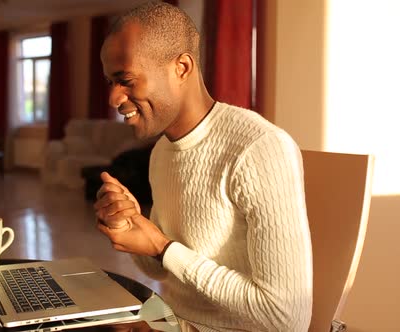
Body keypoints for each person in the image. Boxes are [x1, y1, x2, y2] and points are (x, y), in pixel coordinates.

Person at [94, 2, 313, 331]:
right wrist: (132, 226)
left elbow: (285, 318)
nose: (113, 99)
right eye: (111, 82)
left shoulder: (259, 149)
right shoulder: (162, 152)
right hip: (174, 324)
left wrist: (163, 246)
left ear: (181, 68)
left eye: (125, 80)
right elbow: (160, 270)